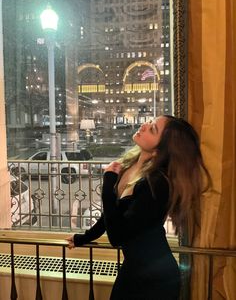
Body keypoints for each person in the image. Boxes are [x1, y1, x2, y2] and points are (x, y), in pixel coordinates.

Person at [67, 115, 211, 300]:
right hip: (135, 268)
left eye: (152, 129)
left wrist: (108, 182)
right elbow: (113, 214)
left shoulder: (158, 182)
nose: (144, 125)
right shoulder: (132, 165)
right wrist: (84, 237)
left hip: (157, 279)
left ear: (163, 148)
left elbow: (117, 236)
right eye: (150, 122)